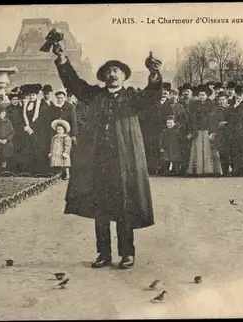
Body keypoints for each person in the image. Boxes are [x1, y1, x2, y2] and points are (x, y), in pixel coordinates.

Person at [53, 43, 161, 269]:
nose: (112, 74)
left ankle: (127, 254)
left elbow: (152, 97)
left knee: (125, 207)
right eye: (108, 71)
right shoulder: (93, 95)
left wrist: (154, 74)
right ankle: (103, 254)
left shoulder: (132, 97)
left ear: (124, 76)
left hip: (124, 161)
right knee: (100, 209)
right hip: (98, 161)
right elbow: (73, 83)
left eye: (116, 71)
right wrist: (62, 59)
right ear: (103, 76)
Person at [38, 89, 78, 176]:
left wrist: (74, 134)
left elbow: (74, 121)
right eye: (58, 98)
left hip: (66, 133)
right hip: (56, 133)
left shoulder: (70, 107)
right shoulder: (53, 107)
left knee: (66, 151)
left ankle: (66, 171)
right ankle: (58, 171)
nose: (60, 100)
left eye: (61, 98)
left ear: (65, 98)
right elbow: (49, 120)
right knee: (56, 151)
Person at [186, 85, 222, 176]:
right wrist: (192, 130)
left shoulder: (211, 105)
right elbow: (191, 118)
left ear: (207, 96)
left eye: (203, 95)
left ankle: (208, 170)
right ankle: (198, 170)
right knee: (197, 150)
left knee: (207, 150)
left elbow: (213, 119)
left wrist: (212, 131)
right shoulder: (194, 105)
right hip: (197, 130)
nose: (202, 97)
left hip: (207, 130)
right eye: (200, 95)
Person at [228, 85, 243, 176]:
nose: (238, 96)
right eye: (237, 95)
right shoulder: (232, 104)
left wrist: (236, 108)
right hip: (233, 130)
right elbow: (228, 115)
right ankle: (235, 170)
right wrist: (234, 108)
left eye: (240, 95)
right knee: (234, 150)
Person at [6, 89, 26, 175]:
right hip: (10, 132)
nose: (15, 101)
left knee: (20, 150)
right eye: (13, 99)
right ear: (10, 100)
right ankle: (11, 170)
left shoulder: (22, 109)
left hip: (20, 132)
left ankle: (20, 170)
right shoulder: (7, 109)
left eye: (16, 99)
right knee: (11, 150)